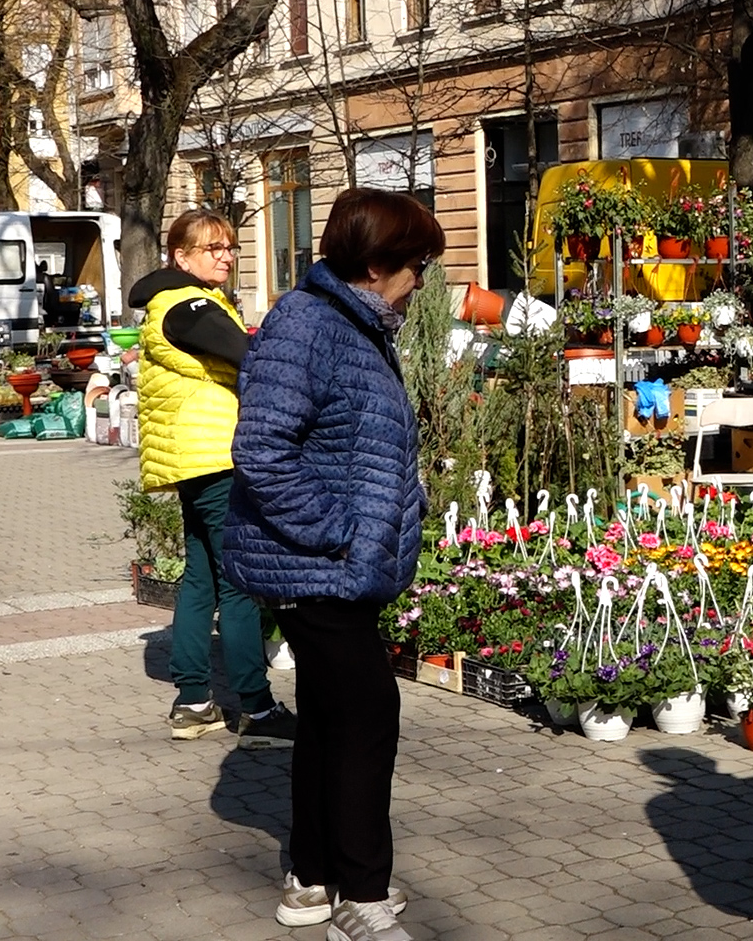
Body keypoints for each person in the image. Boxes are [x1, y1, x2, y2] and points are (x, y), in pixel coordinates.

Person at [224, 188, 443, 941]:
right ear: (376, 264)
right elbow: (262, 449)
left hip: (339, 566)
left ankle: (313, 877)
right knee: (368, 713)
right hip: (313, 565)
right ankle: (361, 897)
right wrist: (338, 532)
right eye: (416, 264)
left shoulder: (355, 324)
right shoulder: (308, 322)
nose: (421, 280)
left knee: (327, 716)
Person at [130, 209, 294, 748]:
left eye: (229, 247)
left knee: (201, 577)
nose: (225, 256)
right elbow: (252, 356)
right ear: (181, 256)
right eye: (212, 248)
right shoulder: (189, 305)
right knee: (239, 583)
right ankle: (257, 708)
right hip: (215, 458)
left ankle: (194, 703)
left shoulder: (174, 302)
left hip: (192, 460)